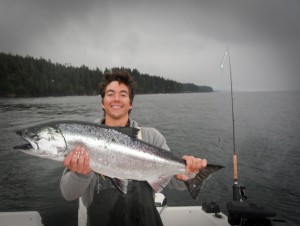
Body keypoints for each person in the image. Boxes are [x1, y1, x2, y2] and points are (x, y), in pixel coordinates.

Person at [60, 70, 207, 226]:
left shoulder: (152, 137)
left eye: (123, 94)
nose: (116, 99)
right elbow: (68, 194)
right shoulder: (83, 139)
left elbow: (173, 182)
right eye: (110, 93)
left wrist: (187, 173)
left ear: (130, 103)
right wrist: (81, 174)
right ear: (102, 102)